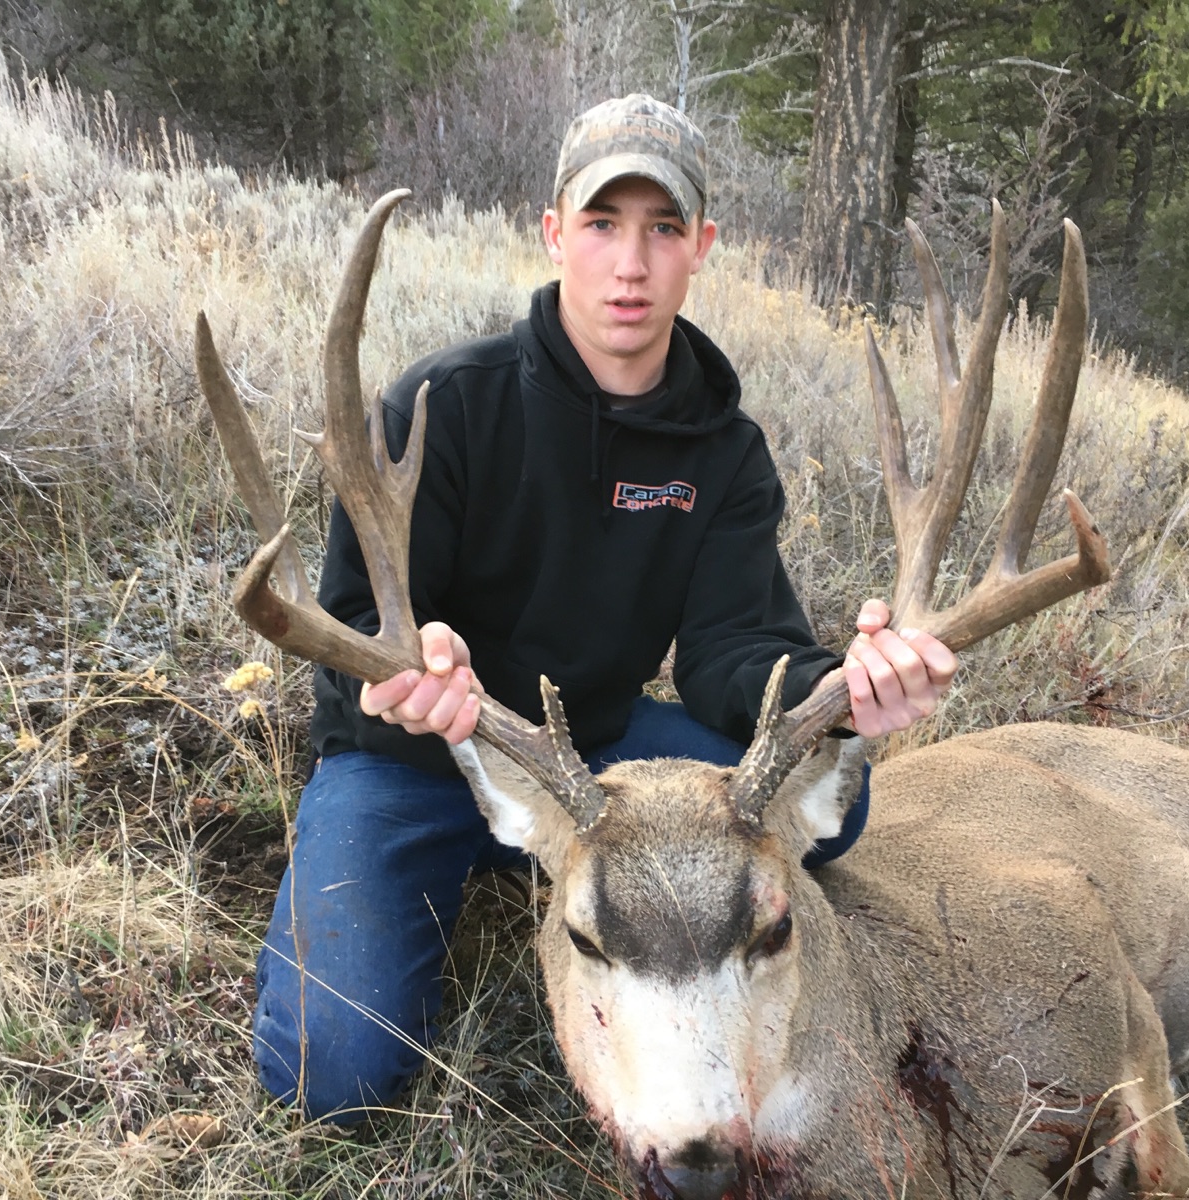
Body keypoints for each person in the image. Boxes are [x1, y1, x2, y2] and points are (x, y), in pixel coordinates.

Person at [252, 94, 958, 1120]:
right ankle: (452, 870)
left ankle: (623, 911)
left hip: (599, 760)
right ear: (553, 234)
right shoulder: (440, 406)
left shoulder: (720, 452)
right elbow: (352, 619)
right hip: (411, 762)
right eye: (601, 225)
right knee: (332, 1074)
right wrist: (402, 670)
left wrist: (843, 690)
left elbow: (732, 648)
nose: (630, 264)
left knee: (834, 816)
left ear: (701, 246)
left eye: (662, 229)